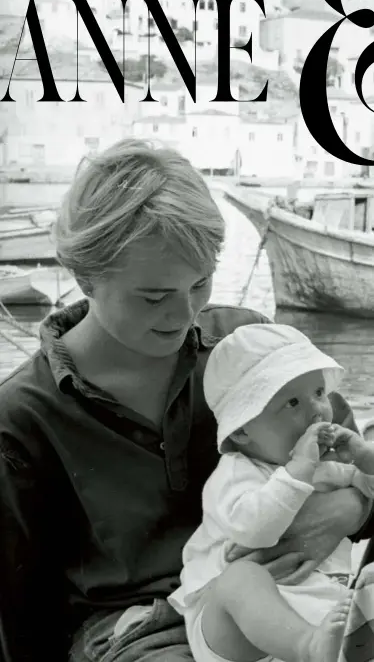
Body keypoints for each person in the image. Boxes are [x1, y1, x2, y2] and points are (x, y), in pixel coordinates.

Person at [0, 138, 372, 662]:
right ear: (85, 277)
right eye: (154, 297)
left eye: (200, 285)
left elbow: (353, 461)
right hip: (137, 632)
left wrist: (350, 508)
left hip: (310, 598)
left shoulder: (251, 346)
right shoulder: (22, 418)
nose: (183, 315)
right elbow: (21, 614)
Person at [168, 323, 374, 662]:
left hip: (319, 608)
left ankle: (328, 643)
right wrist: (298, 471)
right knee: (241, 579)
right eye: (292, 402)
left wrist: (365, 460)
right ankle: (307, 646)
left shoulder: (329, 465)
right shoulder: (236, 473)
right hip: (233, 625)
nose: (316, 410)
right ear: (244, 431)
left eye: (319, 393)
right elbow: (257, 531)